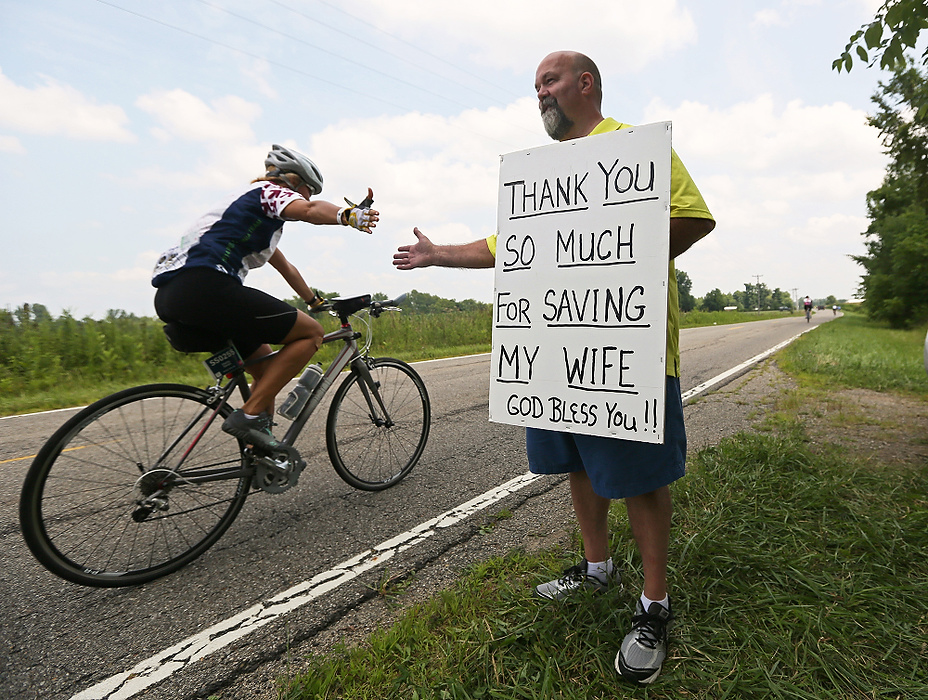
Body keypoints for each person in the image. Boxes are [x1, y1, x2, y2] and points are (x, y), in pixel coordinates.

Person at [394, 51, 715, 686]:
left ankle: (655, 605)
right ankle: (596, 570)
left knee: (642, 477)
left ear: (585, 83)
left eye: (549, 80)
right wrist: (437, 257)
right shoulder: (541, 177)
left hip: (627, 347)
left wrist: (613, 249)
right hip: (556, 351)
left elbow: (693, 218)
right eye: (535, 85)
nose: (539, 92)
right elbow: (505, 245)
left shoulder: (632, 146)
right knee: (578, 462)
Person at [152, 144, 378, 447]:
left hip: (173, 295)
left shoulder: (246, 216)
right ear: (292, 181)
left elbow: (287, 268)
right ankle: (248, 416)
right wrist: (347, 214)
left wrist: (314, 301)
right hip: (205, 285)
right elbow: (310, 211)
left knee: (264, 369)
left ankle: (261, 450)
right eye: (306, 190)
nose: (304, 198)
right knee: (311, 334)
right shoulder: (268, 192)